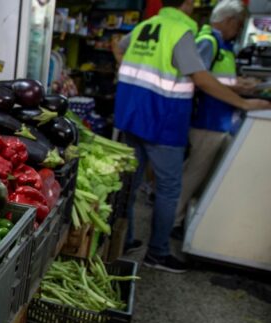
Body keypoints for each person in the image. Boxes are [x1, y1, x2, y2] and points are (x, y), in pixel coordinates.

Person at [112, 0, 270, 273]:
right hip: (163, 120)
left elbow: (119, 47)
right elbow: (200, 77)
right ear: (186, 4)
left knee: (130, 184)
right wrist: (243, 103)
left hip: (131, 115)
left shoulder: (146, 26)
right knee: (169, 190)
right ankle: (158, 254)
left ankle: (123, 240)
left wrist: (131, 80)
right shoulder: (181, 31)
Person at [172, 0, 256, 240]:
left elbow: (214, 78)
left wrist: (238, 85)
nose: (238, 30)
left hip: (218, 118)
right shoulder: (208, 41)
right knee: (193, 173)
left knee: (198, 171)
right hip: (207, 120)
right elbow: (199, 78)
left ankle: (178, 218)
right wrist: (242, 100)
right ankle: (172, 221)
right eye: (238, 25)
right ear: (229, 21)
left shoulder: (220, 43)